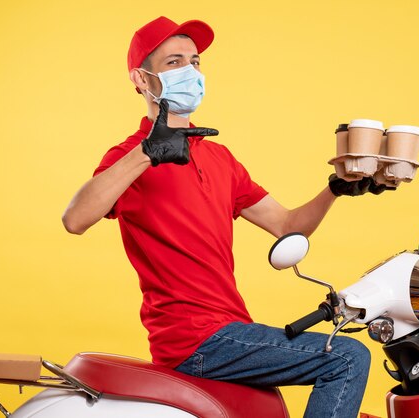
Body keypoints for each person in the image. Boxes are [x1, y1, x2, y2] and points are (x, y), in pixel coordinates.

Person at [62, 16, 391, 418]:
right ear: (142, 79)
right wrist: (147, 152)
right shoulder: (129, 156)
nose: (191, 72)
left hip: (231, 328)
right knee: (345, 358)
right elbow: (75, 219)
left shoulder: (219, 157)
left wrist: (335, 189)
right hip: (193, 340)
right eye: (174, 62)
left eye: (196, 62)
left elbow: (287, 226)